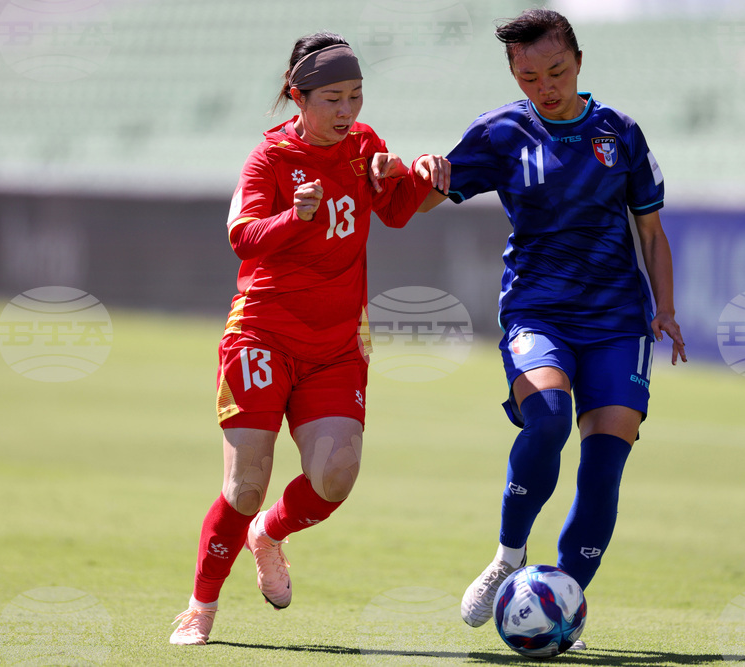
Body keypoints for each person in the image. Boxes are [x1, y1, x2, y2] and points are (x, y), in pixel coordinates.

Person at [169, 32, 449, 646]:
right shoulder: (268, 161)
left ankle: (268, 535)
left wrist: (428, 176)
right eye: (332, 98)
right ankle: (201, 607)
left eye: (355, 95)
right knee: (245, 485)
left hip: (336, 343)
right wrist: (294, 216)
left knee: (335, 479)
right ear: (299, 97)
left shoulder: (364, 144)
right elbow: (242, 238)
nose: (347, 111)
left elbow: (400, 210)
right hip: (262, 334)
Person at [418, 8, 686, 646]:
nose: (547, 85)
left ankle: (560, 601)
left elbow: (650, 229)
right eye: (530, 75)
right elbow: (424, 200)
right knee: (546, 420)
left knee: (603, 466)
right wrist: (423, 172)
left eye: (557, 70)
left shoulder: (620, 132)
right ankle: (509, 558)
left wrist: (665, 308)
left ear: (579, 62)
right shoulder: (500, 133)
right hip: (538, 311)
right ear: (514, 73)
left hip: (617, 319)